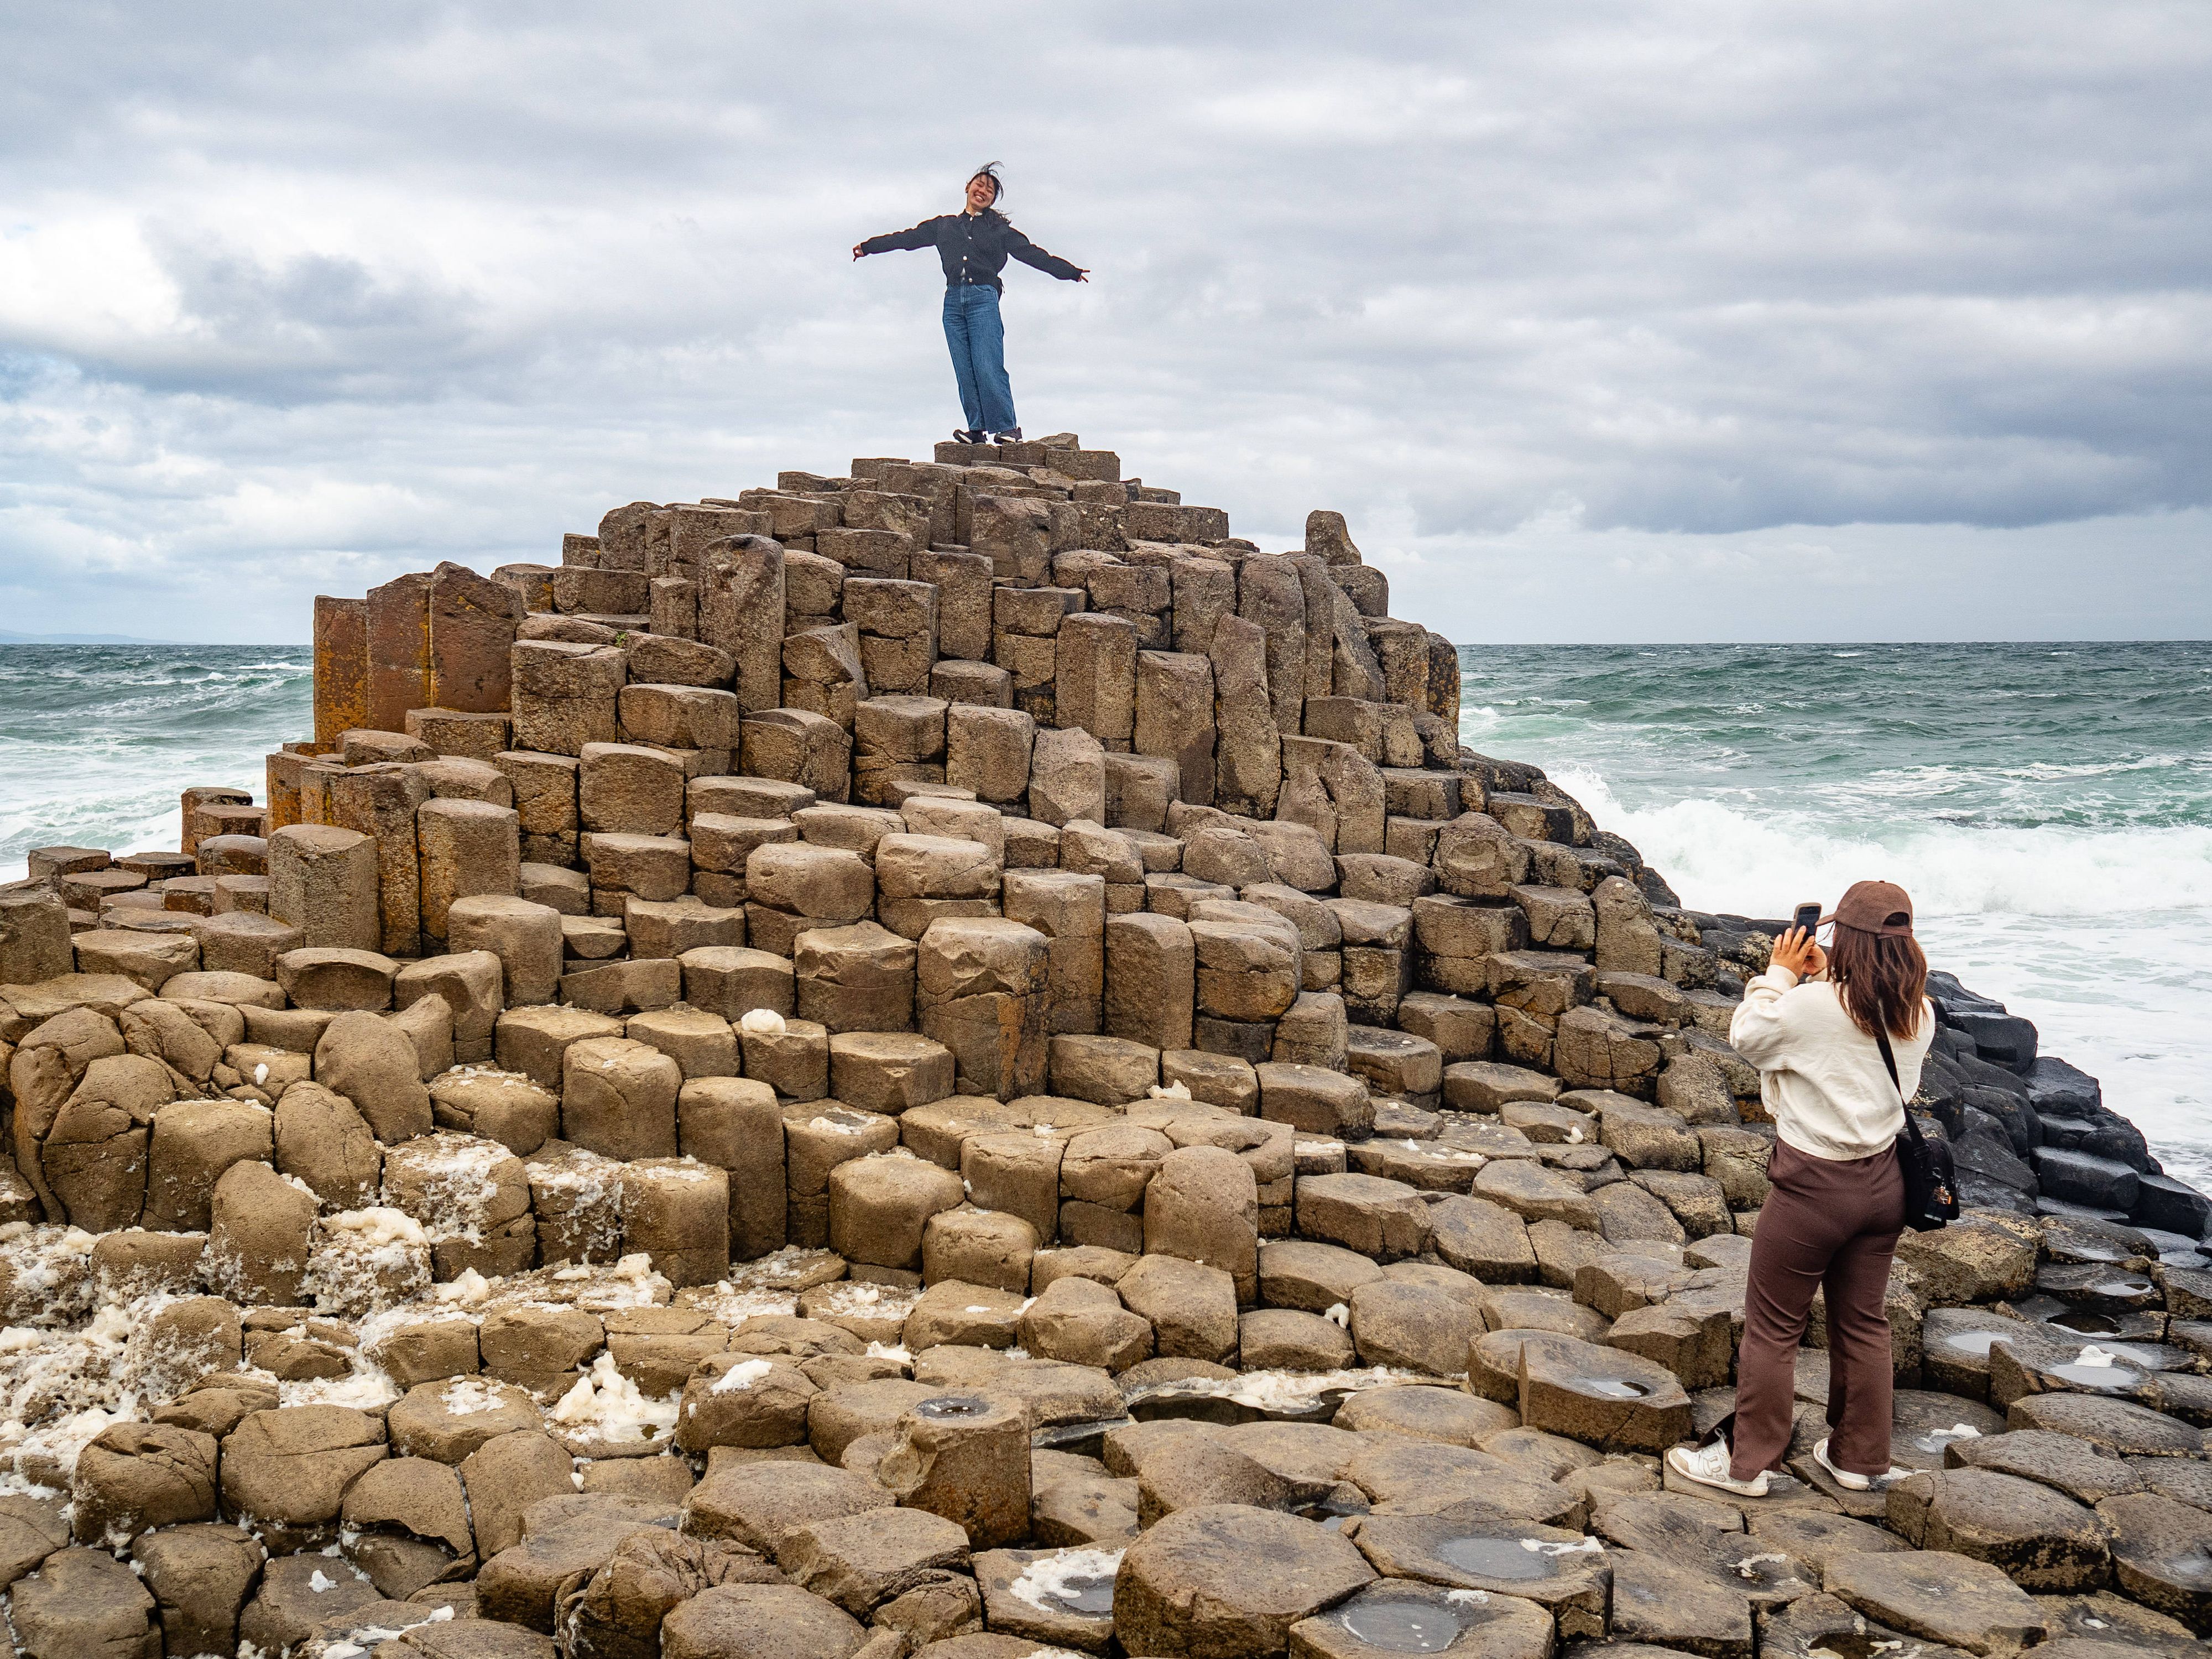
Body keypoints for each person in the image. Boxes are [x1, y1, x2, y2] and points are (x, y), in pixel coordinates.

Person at [1667, 879, 1934, 1498]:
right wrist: (1818, 982)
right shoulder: (1918, 1011)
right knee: (1864, 1323)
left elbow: (1749, 1036)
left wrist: (1779, 976)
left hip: (1813, 1187)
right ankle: (1859, 1459)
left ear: (1848, 939)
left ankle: (1748, 1465)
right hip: (1884, 1184)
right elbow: (1851, 1043)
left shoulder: (1814, 1005)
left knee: (1773, 1327)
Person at [852, 164, 1088, 446]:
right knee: (964, 367)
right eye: (980, 184)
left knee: (988, 364)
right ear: (968, 187)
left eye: (990, 190)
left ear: (992, 200)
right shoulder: (945, 226)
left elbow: (1033, 254)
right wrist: (869, 247)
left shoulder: (1000, 231)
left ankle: (1007, 427)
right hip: (952, 302)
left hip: (983, 299)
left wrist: (1069, 271)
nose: (983, 191)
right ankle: (976, 429)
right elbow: (906, 238)